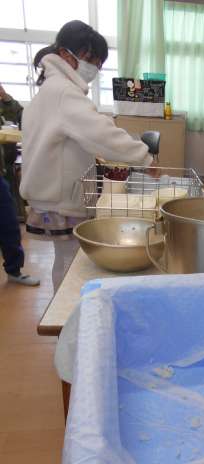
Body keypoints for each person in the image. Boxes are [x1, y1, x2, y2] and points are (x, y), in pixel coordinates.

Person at [20, 20, 155, 293]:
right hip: (61, 198)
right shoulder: (64, 92)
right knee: (71, 263)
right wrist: (144, 157)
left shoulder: (52, 89)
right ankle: (67, 313)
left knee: (64, 260)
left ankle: (66, 311)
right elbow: (101, 133)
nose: (94, 68)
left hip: (52, 193)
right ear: (65, 53)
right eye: (90, 59)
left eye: (99, 63)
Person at [0, 84, 40, 286]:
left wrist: (6, 98)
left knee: (8, 223)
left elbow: (19, 118)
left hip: (2, 171)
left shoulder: (6, 104)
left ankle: (14, 270)